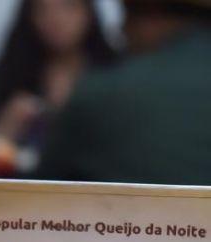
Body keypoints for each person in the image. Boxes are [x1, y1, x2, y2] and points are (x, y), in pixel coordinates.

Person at [35, 0, 211, 184]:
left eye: (128, 14)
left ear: (151, 15)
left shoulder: (102, 94)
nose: (122, 29)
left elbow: (37, 193)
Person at [0, 0, 117, 174]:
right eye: (42, 10)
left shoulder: (114, 73)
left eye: (68, 6)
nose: (56, 19)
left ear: (89, 12)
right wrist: (1, 129)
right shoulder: (12, 68)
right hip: (20, 187)